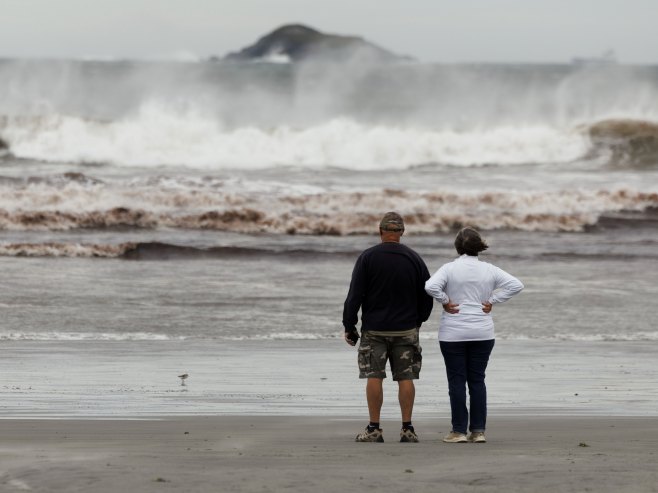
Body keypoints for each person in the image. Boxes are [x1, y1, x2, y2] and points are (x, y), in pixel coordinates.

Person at [425, 227, 523, 444]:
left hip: (453, 332)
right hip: (482, 331)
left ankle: (459, 431)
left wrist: (445, 300)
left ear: (458, 246)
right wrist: (492, 301)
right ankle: (478, 431)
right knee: (477, 380)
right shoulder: (489, 269)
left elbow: (430, 286)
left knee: (457, 381)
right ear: (479, 246)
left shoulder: (449, 268)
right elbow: (516, 285)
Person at [343, 212, 434, 443]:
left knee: (374, 376)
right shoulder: (414, 259)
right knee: (406, 377)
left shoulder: (368, 258)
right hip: (406, 329)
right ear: (401, 232)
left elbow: (355, 295)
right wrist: (419, 321)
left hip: (374, 330)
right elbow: (427, 294)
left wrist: (349, 325)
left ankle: (374, 428)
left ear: (380, 231)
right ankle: (407, 429)